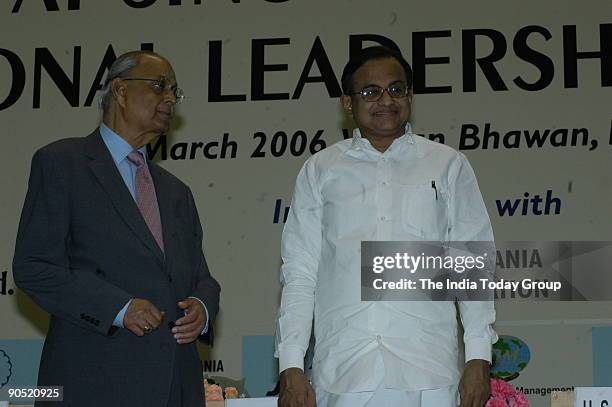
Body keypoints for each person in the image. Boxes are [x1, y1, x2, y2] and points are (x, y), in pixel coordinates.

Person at [275, 46, 496, 407]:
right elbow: (300, 274)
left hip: (429, 370)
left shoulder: (447, 165)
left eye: (396, 89)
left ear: (410, 96)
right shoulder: (320, 170)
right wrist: (291, 365)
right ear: (347, 102)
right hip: (344, 370)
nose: (385, 100)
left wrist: (478, 356)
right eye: (370, 92)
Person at [13, 50, 220, 407]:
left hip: (176, 387)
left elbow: (201, 276)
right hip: (93, 384)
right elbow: (35, 268)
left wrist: (202, 306)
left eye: (175, 91)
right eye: (160, 86)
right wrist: (120, 308)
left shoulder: (176, 191)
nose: (170, 98)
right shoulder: (63, 163)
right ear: (120, 91)